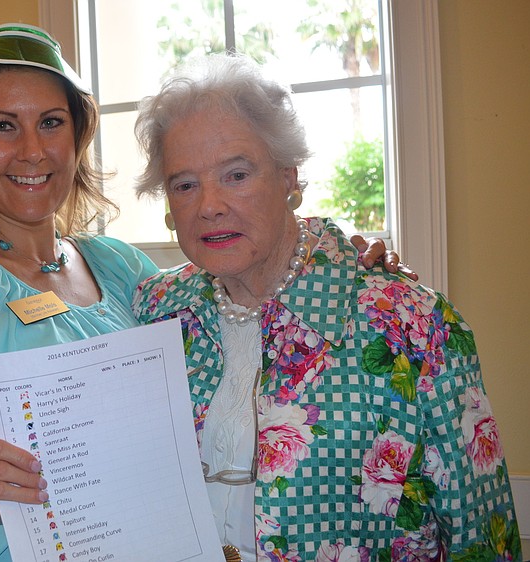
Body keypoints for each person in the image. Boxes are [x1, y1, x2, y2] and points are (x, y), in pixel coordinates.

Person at [0, 24, 406, 561]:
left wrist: (329, 259)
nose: (32, 150)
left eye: (51, 122)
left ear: (77, 135)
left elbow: (237, 292)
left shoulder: (117, 267)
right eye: (4, 126)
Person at [131, 53, 522, 561]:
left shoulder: (411, 323)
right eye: (184, 184)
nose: (208, 204)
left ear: (289, 177)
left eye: (236, 174)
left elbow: (480, 533)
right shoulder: (154, 311)